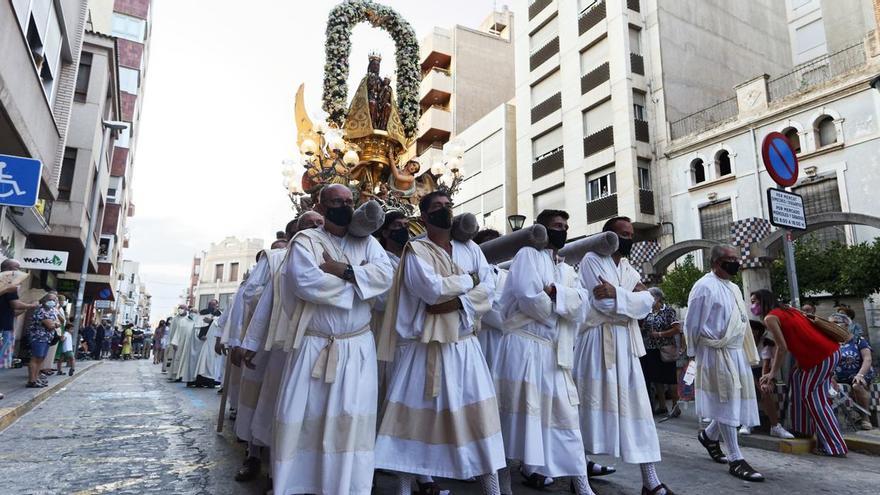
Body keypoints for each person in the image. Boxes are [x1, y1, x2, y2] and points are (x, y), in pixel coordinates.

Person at [375, 190, 504, 495]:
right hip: (428, 348)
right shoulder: (415, 251)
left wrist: (457, 303)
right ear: (424, 216)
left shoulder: (469, 247)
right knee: (411, 426)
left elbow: (491, 286)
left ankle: (493, 491)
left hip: (466, 347)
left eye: (448, 206)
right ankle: (405, 490)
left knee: (480, 422)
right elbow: (431, 291)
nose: (445, 210)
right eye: (437, 207)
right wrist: (469, 283)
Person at [271, 185, 393, 495]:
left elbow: (385, 279)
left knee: (351, 423)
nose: (344, 205)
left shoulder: (367, 242)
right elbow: (306, 282)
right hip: (314, 346)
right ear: (321, 206)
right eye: (336, 201)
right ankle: (297, 487)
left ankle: (348, 488)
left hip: (358, 348)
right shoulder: (306, 241)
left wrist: (343, 271)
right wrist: (360, 285)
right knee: (303, 418)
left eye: (349, 201)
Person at [491, 209, 595, 495]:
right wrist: (561, 301)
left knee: (566, 419)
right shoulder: (527, 255)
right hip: (522, 347)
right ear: (542, 230)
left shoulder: (566, 269)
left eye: (565, 225)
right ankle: (502, 487)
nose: (562, 230)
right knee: (514, 420)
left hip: (553, 353)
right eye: (556, 226)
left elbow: (583, 310)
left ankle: (583, 486)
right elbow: (530, 301)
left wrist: (555, 293)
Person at [573, 217, 672, 495]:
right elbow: (603, 304)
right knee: (587, 409)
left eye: (630, 234)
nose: (628, 238)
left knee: (639, 410)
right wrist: (631, 299)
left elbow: (649, 302)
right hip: (597, 342)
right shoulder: (591, 259)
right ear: (608, 237)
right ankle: (579, 480)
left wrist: (619, 294)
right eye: (622, 234)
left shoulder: (627, 266)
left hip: (626, 346)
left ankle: (650, 481)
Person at [687, 245, 763, 482]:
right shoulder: (703, 287)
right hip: (716, 353)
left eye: (736, 259)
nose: (735, 263)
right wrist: (694, 354)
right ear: (717, 262)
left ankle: (709, 436)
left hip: (734, 352)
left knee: (733, 400)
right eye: (730, 259)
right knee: (727, 400)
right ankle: (735, 458)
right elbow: (692, 324)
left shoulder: (733, 287)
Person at [752, 290, 847, 456]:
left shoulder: (770, 318)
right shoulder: (788, 310)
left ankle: (835, 446)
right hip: (825, 353)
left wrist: (772, 374)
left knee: (813, 398)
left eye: (755, 302)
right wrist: (799, 363)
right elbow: (801, 336)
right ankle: (803, 429)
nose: (752, 306)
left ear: (764, 302)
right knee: (796, 380)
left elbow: (782, 347)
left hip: (821, 356)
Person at [739, 319, 794, 439]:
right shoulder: (741, 344)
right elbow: (744, 366)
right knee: (748, 390)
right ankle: (747, 422)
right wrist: (756, 384)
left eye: (750, 330)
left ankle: (775, 426)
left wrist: (765, 382)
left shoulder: (766, 343)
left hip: (764, 372)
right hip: (745, 372)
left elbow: (766, 364)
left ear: (757, 331)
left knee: (765, 391)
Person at [640, 287, 682, 417]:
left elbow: (676, 328)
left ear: (656, 298)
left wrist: (659, 334)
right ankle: (662, 406)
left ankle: (675, 406)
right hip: (651, 349)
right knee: (656, 378)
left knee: (670, 378)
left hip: (666, 349)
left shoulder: (668, 310)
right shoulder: (647, 312)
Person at [830, 312, 874, 431]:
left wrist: (860, 375)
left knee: (856, 386)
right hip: (839, 376)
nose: (832, 325)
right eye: (830, 323)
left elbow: (867, 358)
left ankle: (865, 418)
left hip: (860, 373)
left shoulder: (858, 340)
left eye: (836, 323)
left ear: (846, 325)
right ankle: (836, 420)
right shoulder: (832, 342)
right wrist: (831, 376)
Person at [473, 228, 505, 367]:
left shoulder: (506, 274)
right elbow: (482, 304)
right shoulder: (474, 274)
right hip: (483, 334)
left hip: (504, 337)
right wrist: (507, 320)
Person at [1, 259, 39, 371]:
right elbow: (15, 305)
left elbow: (13, 311)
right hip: (3, 327)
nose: (18, 271)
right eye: (17, 268)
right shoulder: (9, 284)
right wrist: (31, 305)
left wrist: (25, 308)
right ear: (8, 269)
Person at [26, 294, 60, 388]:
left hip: (47, 338)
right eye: (50, 299)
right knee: (36, 358)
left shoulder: (52, 310)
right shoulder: (41, 310)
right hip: (38, 337)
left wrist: (55, 324)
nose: (52, 301)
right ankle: (32, 380)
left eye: (54, 299)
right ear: (44, 299)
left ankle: (36, 378)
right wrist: (55, 324)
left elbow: (58, 322)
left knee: (41, 359)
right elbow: (51, 325)